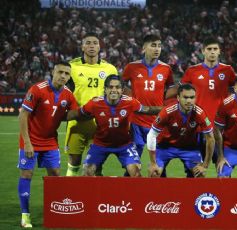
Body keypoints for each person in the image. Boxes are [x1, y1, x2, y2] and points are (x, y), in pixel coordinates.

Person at [18, 62, 78, 228]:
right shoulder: (37, 89)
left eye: (67, 73)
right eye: (60, 72)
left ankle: (54, 212)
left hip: (50, 141)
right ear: (53, 72)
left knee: (55, 175)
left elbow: (74, 114)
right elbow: (23, 116)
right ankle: (25, 215)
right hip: (30, 140)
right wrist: (28, 143)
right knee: (27, 174)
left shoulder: (68, 94)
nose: (63, 76)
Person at [67, 75, 161, 177]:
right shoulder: (95, 103)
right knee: (87, 172)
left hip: (124, 145)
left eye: (117, 87)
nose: (114, 90)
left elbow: (148, 110)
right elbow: (77, 113)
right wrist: (58, 116)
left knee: (136, 173)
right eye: (110, 87)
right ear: (105, 89)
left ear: (122, 90)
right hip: (100, 145)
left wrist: (167, 109)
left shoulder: (130, 102)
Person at [65, 32, 118, 176]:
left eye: (95, 43)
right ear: (82, 47)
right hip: (77, 122)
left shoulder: (110, 69)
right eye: (88, 43)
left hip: (99, 123)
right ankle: (68, 195)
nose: (91, 46)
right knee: (73, 162)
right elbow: (64, 93)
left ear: (100, 47)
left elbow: (116, 93)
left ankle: (94, 197)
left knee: (95, 165)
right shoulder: (72, 67)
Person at [180, 37, 236, 171]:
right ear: (203, 51)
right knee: (194, 170)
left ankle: (222, 192)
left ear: (219, 52)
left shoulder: (228, 70)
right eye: (209, 49)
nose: (212, 52)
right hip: (197, 127)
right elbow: (182, 97)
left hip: (220, 127)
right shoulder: (192, 71)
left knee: (222, 167)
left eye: (215, 49)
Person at [122, 34, 175, 160]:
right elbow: (120, 86)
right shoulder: (132, 67)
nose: (157, 49)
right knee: (133, 162)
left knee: (158, 161)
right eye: (153, 45)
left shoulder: (166, 69)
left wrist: (164, 104)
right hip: (136, 121)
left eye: (159, 46)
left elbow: (171, 89)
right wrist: (131, 99)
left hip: (157, 121)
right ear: (144, 48)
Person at [146, 84, 215, 178]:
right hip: (165, 147)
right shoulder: (167, 111)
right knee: (154, 173)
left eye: (192, 97)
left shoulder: (200, 113)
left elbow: (210, 138)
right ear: (178, 97)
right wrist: (153, 163)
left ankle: (190, 192)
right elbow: (151, 135)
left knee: (200, 174)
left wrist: (205, 165)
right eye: (185, 97)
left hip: (189, 148)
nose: (189, 101)